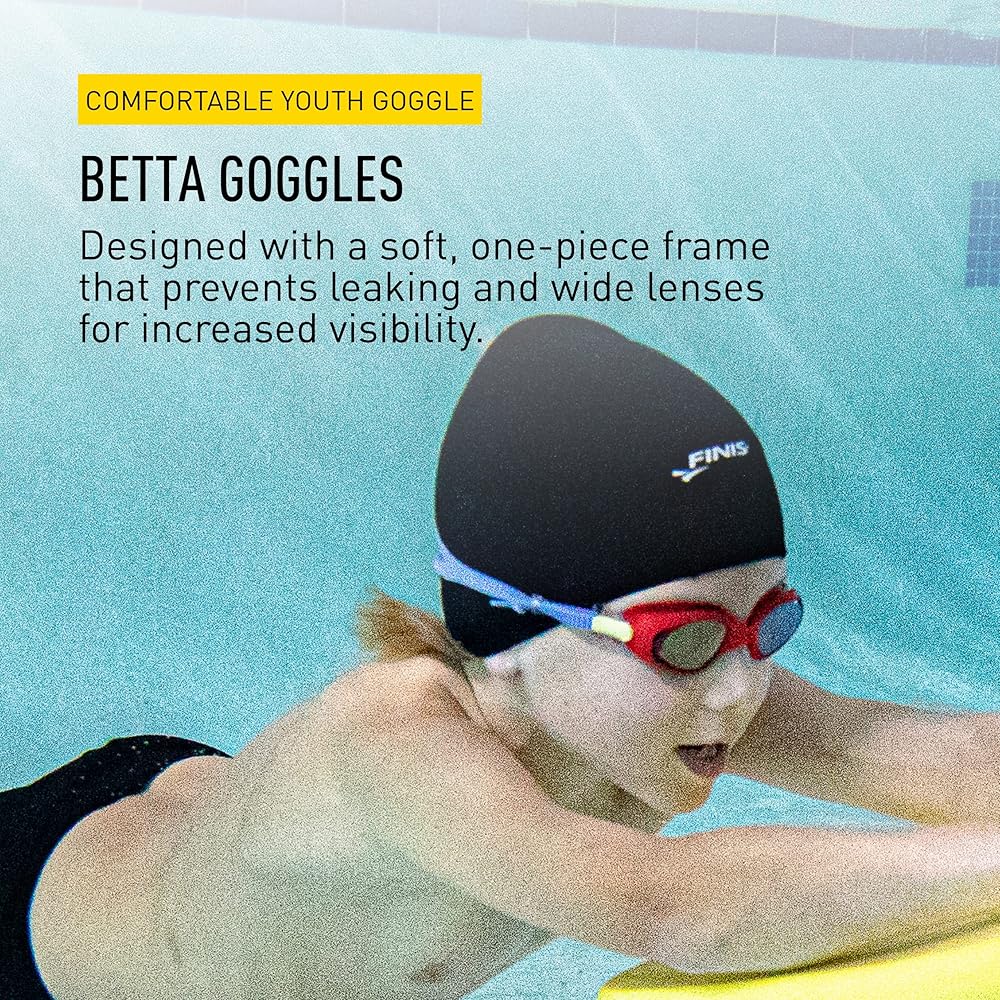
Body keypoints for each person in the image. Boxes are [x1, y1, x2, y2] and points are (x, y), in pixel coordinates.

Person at [10, 314, 1000, 1000]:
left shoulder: (681, 697)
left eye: (767, 622)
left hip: (185, 805)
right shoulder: (394, 743)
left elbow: (948, 759)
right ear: (514, 632)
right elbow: (678, 909)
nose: (742, 684)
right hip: (44, 925)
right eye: (685, 637)